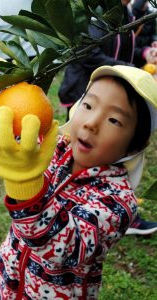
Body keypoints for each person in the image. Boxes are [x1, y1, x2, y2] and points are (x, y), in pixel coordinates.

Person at [0, 65, 157, 299]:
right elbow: (7, 137)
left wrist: (27, 186)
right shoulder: (56, 147)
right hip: (9, 279)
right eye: (89, 105)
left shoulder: (117, 202)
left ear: (134, 145)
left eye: (114, 120)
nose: (92, 122)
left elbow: (60, 248)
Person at [58, 0, 157, 236]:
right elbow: (88, 52)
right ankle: (68, 203)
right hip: (86, 91)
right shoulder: (93, 10)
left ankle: (104, 211)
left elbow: (121, 47)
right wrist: (126, 69)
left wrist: (145, 53)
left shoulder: (124, 13)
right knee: (75, 154)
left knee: (108, 158)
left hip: (111, 99)